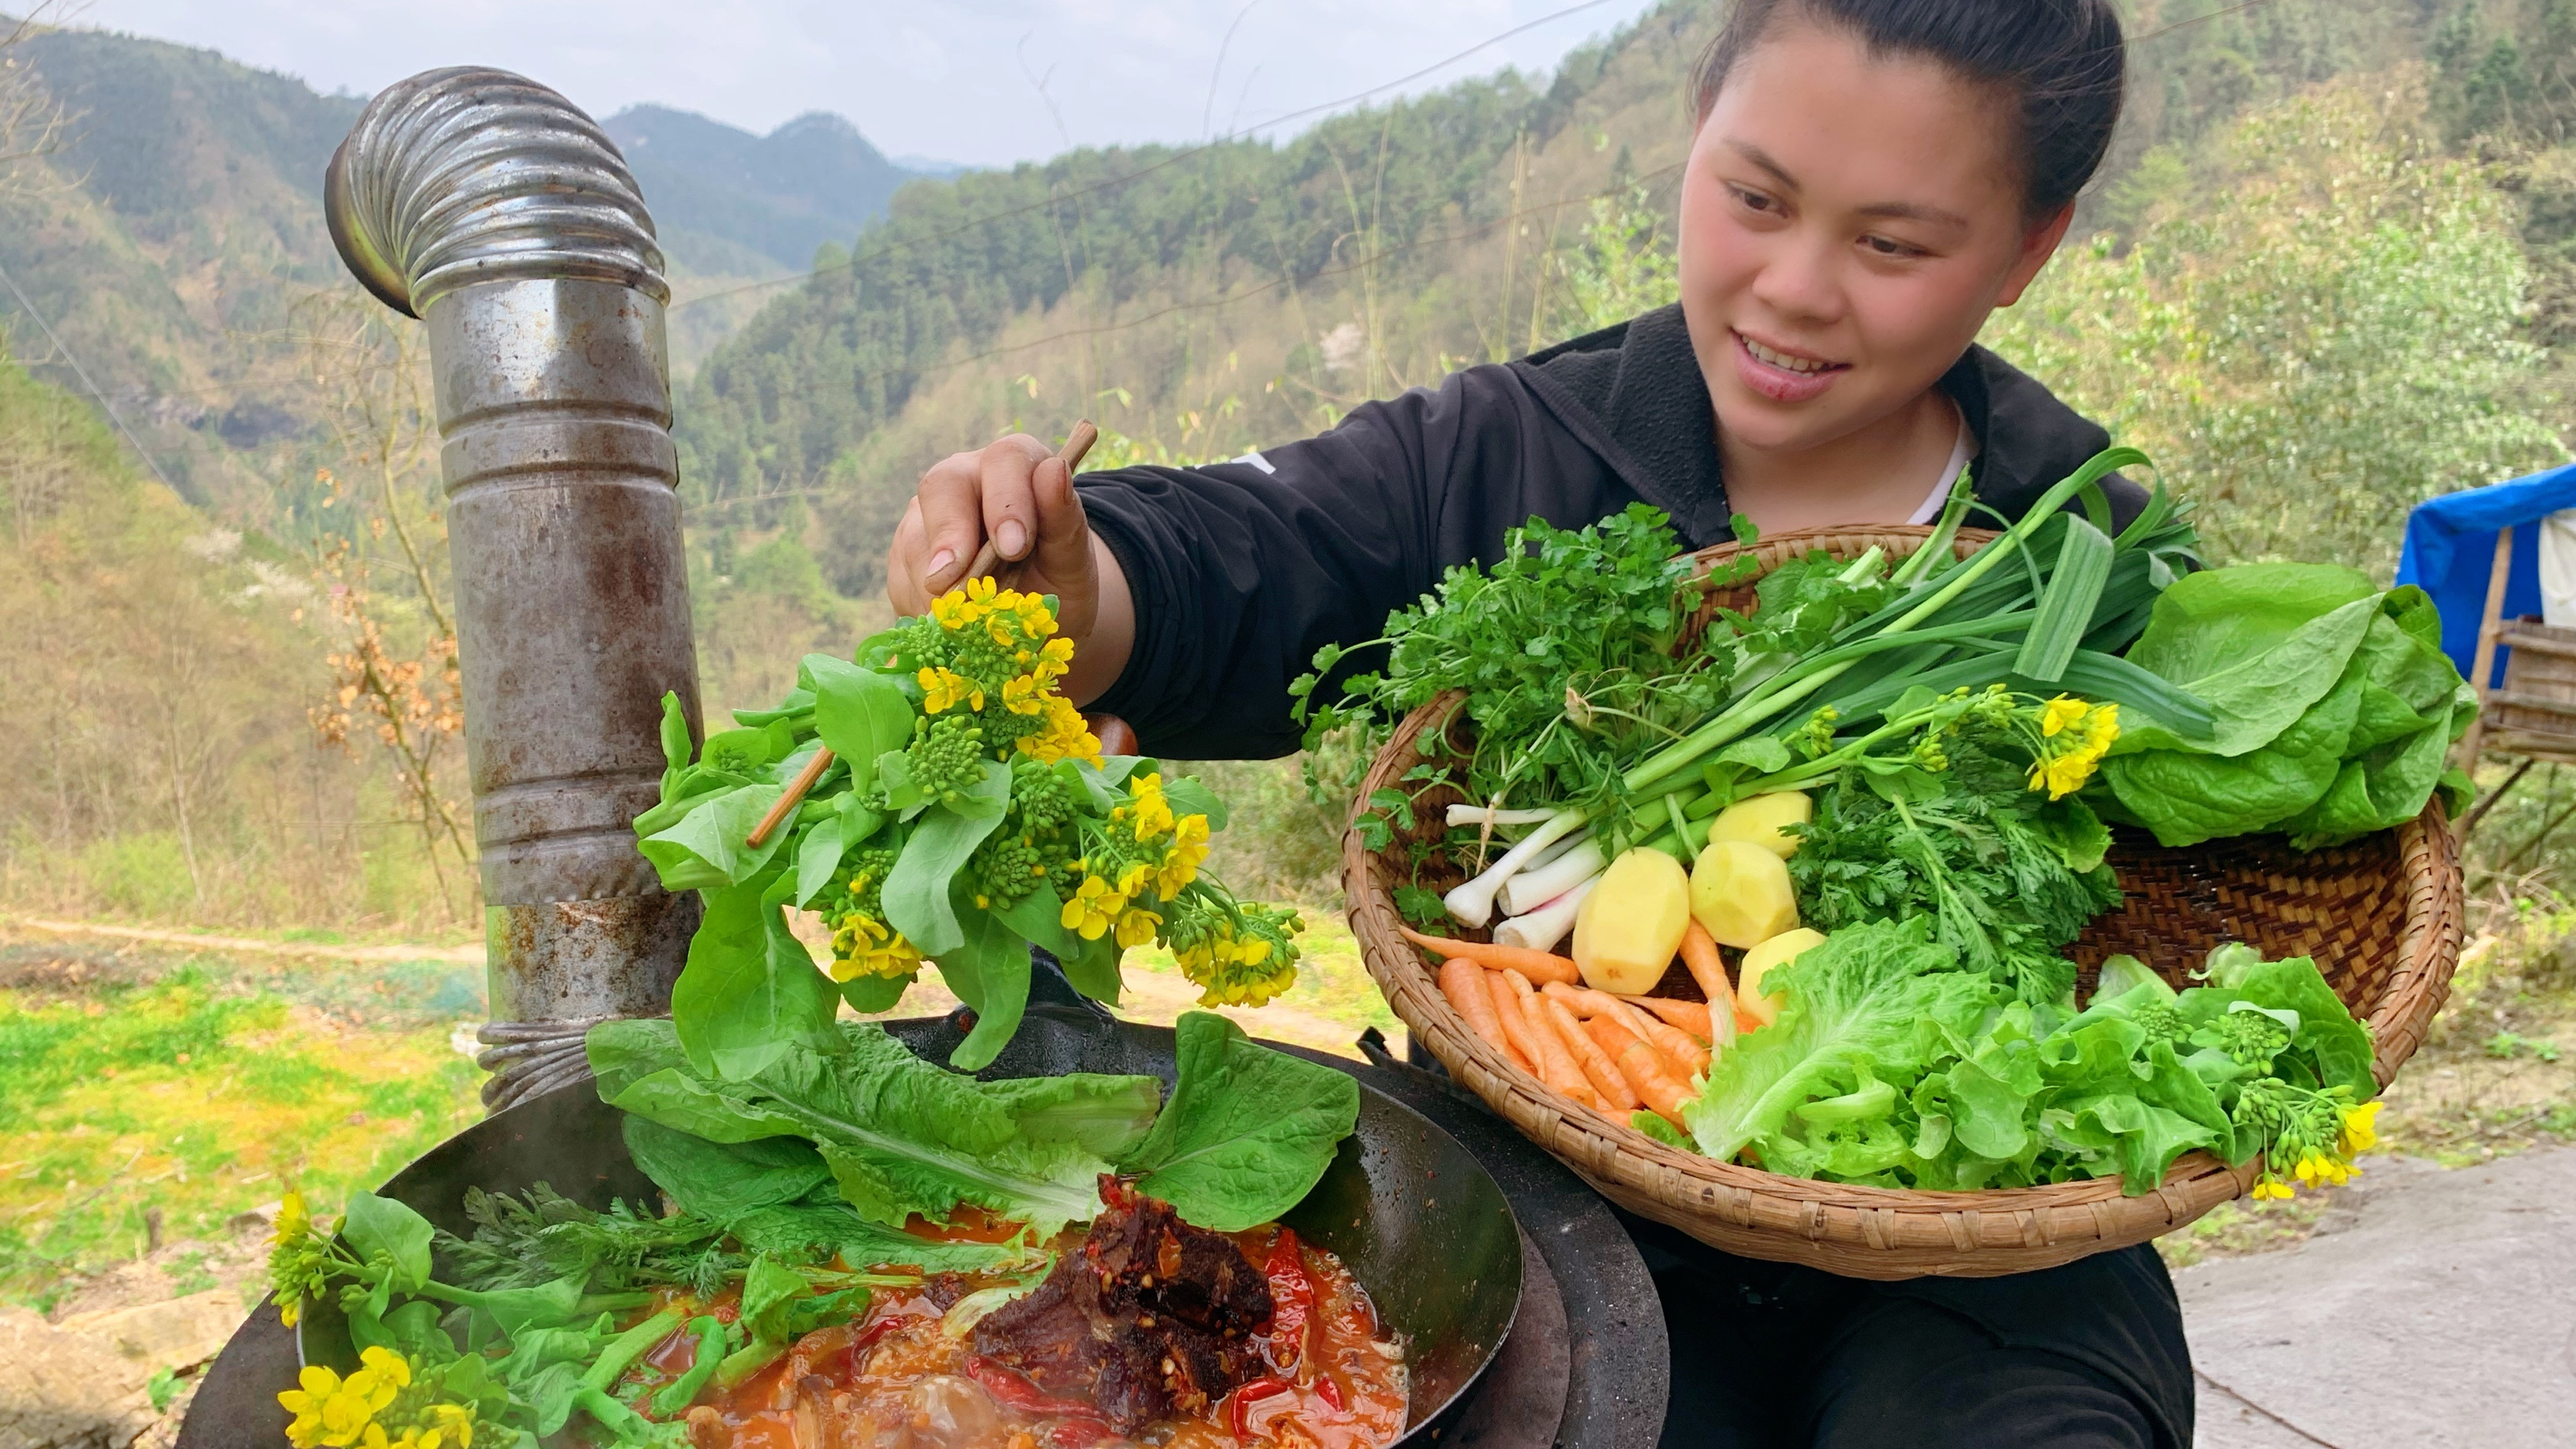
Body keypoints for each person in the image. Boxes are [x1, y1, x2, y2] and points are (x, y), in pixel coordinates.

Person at [884, 2, 2190, 1445]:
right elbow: (1251, 551)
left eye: (1892, 245)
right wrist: (1074, 579)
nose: (1797, 287)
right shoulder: (1514, 452)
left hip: (1984, 1244)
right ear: (1695, 134)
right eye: (1753, 199)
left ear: (2027, 249)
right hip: (1555, 1219)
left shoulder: (2087, 554)